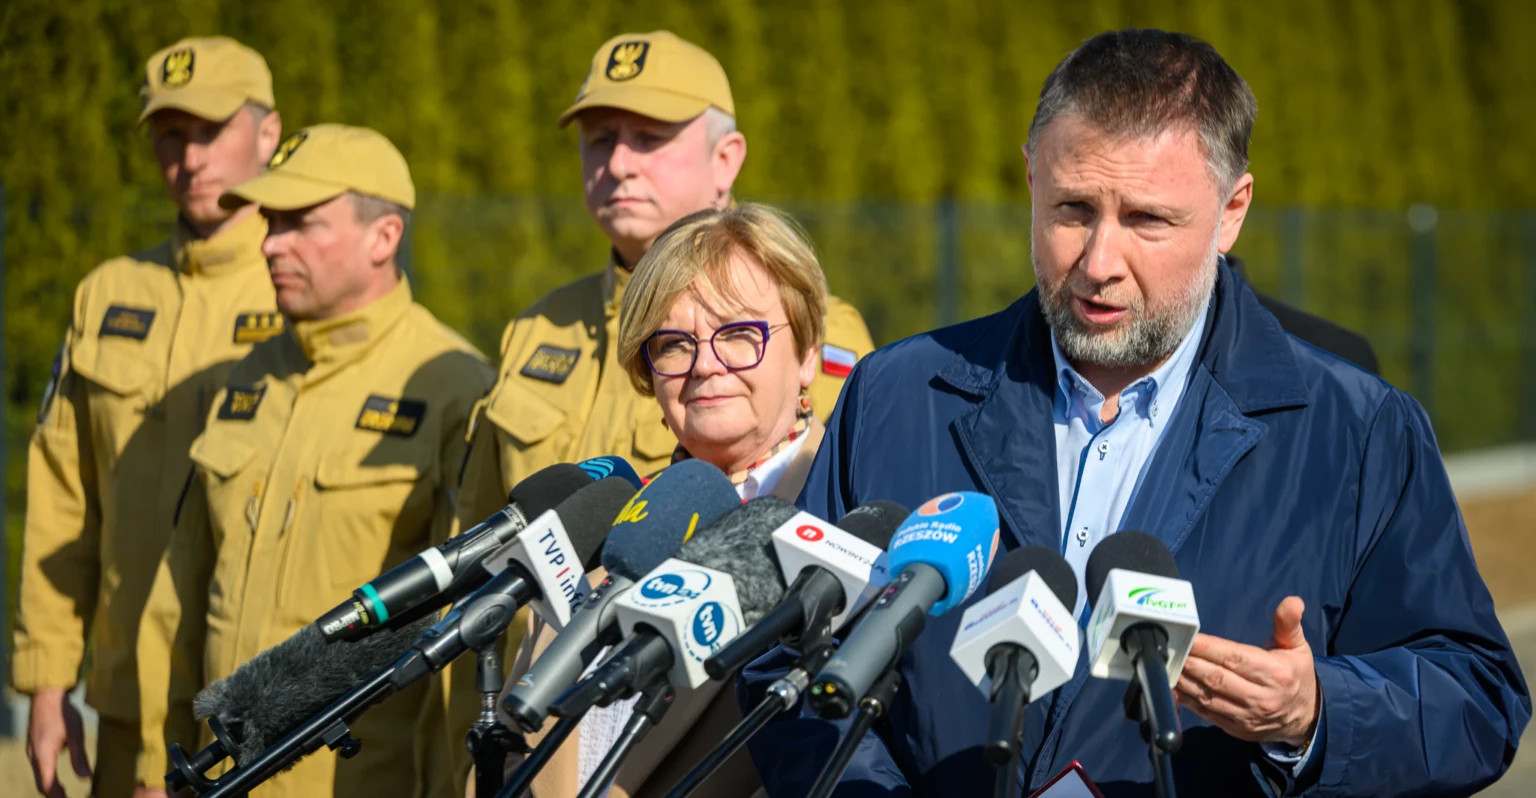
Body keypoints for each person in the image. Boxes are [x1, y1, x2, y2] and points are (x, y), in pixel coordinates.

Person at [744, 29, 1530, 796]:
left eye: (1148, 219)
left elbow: (1478, 700)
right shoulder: (895, 396)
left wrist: (1318, 713)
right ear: (1030, 180)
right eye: (1073, 209)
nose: (1099, 263)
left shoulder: (1360, 433)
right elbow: (793, 665)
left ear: (1231, 211)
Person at [450, 29, 875, 787]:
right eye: (671, 345)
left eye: (649, 138)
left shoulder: (830, 517)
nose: (618, 162)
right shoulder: (540, 335)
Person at [134, 124, 494, 798]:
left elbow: (466, 641)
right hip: (219, 781)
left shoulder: (454, 388)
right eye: (271, 222)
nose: (270, 243)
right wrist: (160, 764)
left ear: (383, 237)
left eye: (300, 223)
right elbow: (181, 592)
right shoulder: (249, 378)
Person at [13, 36, 282, 798]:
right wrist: (46, 681)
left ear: (268, 133)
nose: (189, 158)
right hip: (127, 698)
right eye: (170, 134)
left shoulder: (300, 286)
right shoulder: (106, 295)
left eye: (210, 130)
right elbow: (65, 500)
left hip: (256, 709)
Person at [503, 202, 831, 797]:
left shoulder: (838, 515)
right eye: (675, 344)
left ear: (807, 353)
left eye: (739, 335)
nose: (705, 366)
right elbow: (512, 751)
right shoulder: (604, 522)